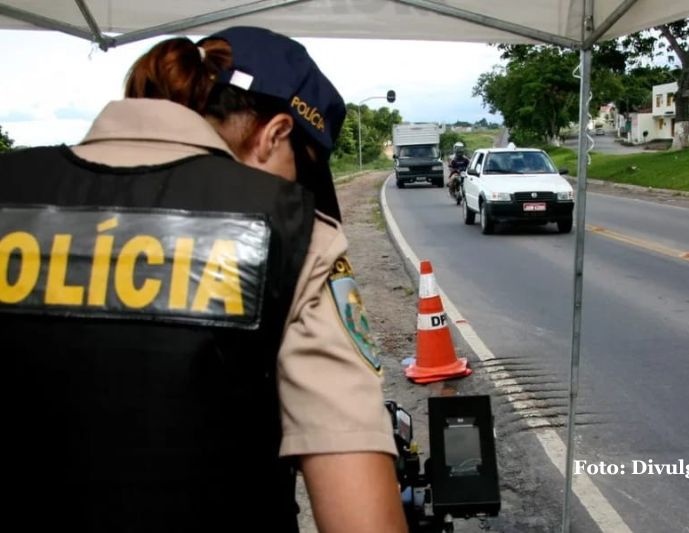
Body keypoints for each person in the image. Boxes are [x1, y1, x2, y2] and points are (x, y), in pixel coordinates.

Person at [1, 27, 406, 532]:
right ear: (275, 135)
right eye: (300, 169)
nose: (297, 189)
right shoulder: (291, 233)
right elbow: (363, 521)